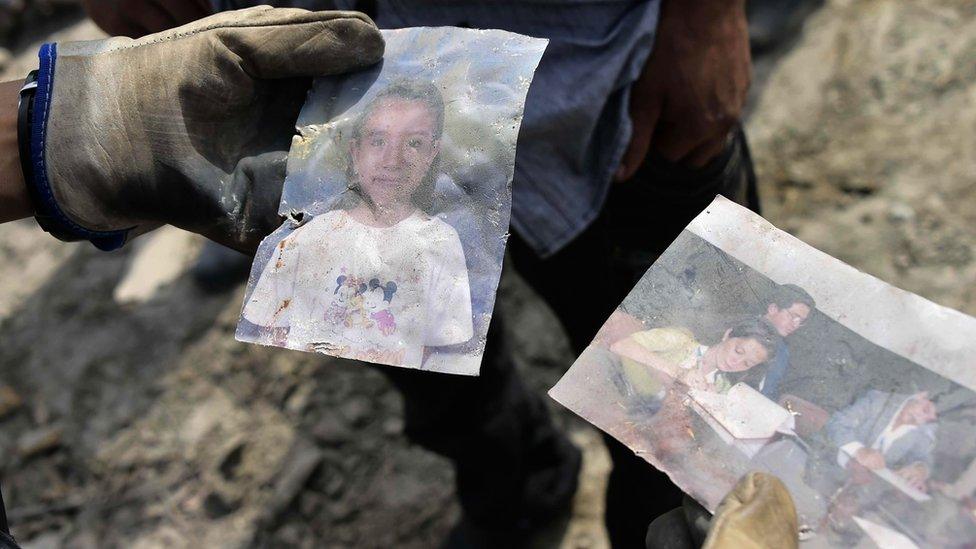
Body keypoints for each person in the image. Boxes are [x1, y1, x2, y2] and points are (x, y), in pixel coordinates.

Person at [13, 0, 762, 546]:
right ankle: (518, 490)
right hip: (314, 77)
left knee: (690, 422)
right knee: (410, 342)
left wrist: (704, 13)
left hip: (601, 82)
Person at [240, 80, 473, 369]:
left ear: (432, 152)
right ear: (355, 150)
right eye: (377, 141)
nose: (393, 160)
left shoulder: (442, 242)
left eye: (414, 143)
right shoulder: (305, 241)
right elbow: (270, 335)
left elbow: (444, 349)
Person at [610, 318, 781, 397]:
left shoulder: (722, 387)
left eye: (747, 363)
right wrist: (677, 372)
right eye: (738, 351)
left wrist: (712, 400)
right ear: (728, 335)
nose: (736, 362)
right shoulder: (681, 340)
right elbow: (620, 346)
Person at [826, 390, 938, 493]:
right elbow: (837, 423)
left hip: (867, 487)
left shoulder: (922, 432)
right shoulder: (877, 401)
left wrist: (920, 469)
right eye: (926, 410)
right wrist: (860, 451)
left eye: (932, 419)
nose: (927, 417)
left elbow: (924, 457)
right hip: (830, 464)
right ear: (920, 395)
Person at [742, 284, 816, 400]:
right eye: (793, 316)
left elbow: (768, 392)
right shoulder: (742, 328)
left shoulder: (783, 352)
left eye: (800, 321)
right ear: (773, 309)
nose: (795, 325)